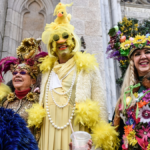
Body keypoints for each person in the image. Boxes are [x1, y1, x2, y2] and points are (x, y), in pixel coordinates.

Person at [38, 2, 119, 150]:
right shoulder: (47, 71)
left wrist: (96, 144)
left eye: (65, 37)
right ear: (52, 46)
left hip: (77, 135)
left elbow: (100, 107)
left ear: (73, 41)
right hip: (47, 134)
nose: (61, 41)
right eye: (56, 38)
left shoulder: (87, 68)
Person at [0, 37, 47, 140]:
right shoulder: (5, 101)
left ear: (33, 81)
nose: (17, 75)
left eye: (22, 73)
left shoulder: (39, 102)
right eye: (15, 73)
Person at [113, 35, 150, 149]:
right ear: (132, 61)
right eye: (137, 54)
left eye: (147, 52)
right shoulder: (127, 95)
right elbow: (117, 133)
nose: (143, 56)